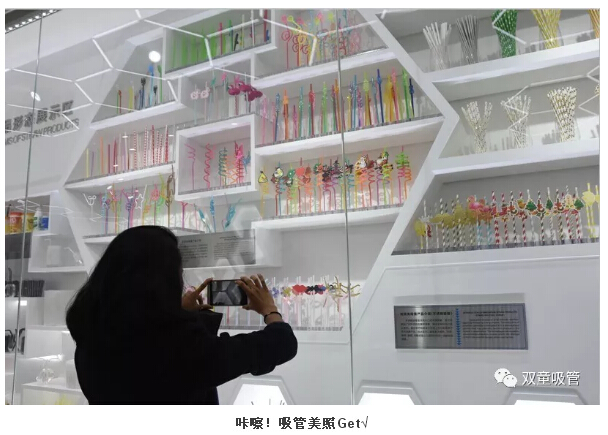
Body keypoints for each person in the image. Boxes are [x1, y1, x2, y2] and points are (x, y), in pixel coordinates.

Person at [66, 226, 297, 404]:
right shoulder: (181, 350)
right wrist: (270, 310)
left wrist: (178, 314)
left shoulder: (90, 339)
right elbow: (281, 343)